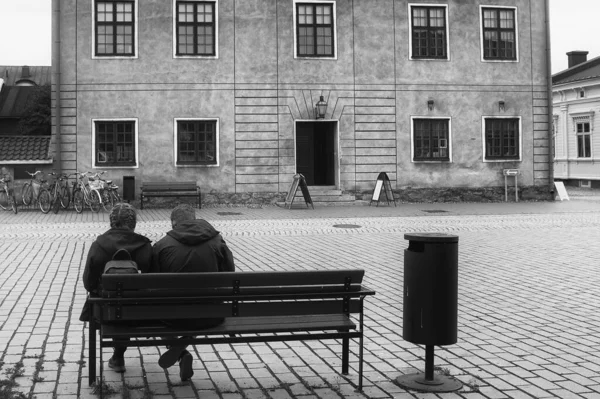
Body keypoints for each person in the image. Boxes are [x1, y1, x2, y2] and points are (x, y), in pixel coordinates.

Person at [152, 203, 235, 381]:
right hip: (212, 315)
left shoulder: (161, 246)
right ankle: (182, 348)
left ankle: (180, 350)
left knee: (156, 309)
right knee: (200, 305)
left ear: (174, 223)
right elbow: (230, 275)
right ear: (194, 220)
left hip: (173, 318)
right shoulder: (217, 241)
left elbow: (152, 286)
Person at [80, 203, 152, 373]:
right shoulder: (144, 245)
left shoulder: (99, 244)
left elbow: (88, 283)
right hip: (140, 311)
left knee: (114, 305)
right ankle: (118, 355)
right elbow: (152, 280)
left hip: (105, 310)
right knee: (126, 305)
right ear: (133, 223)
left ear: (111, 222)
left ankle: (118, 357)